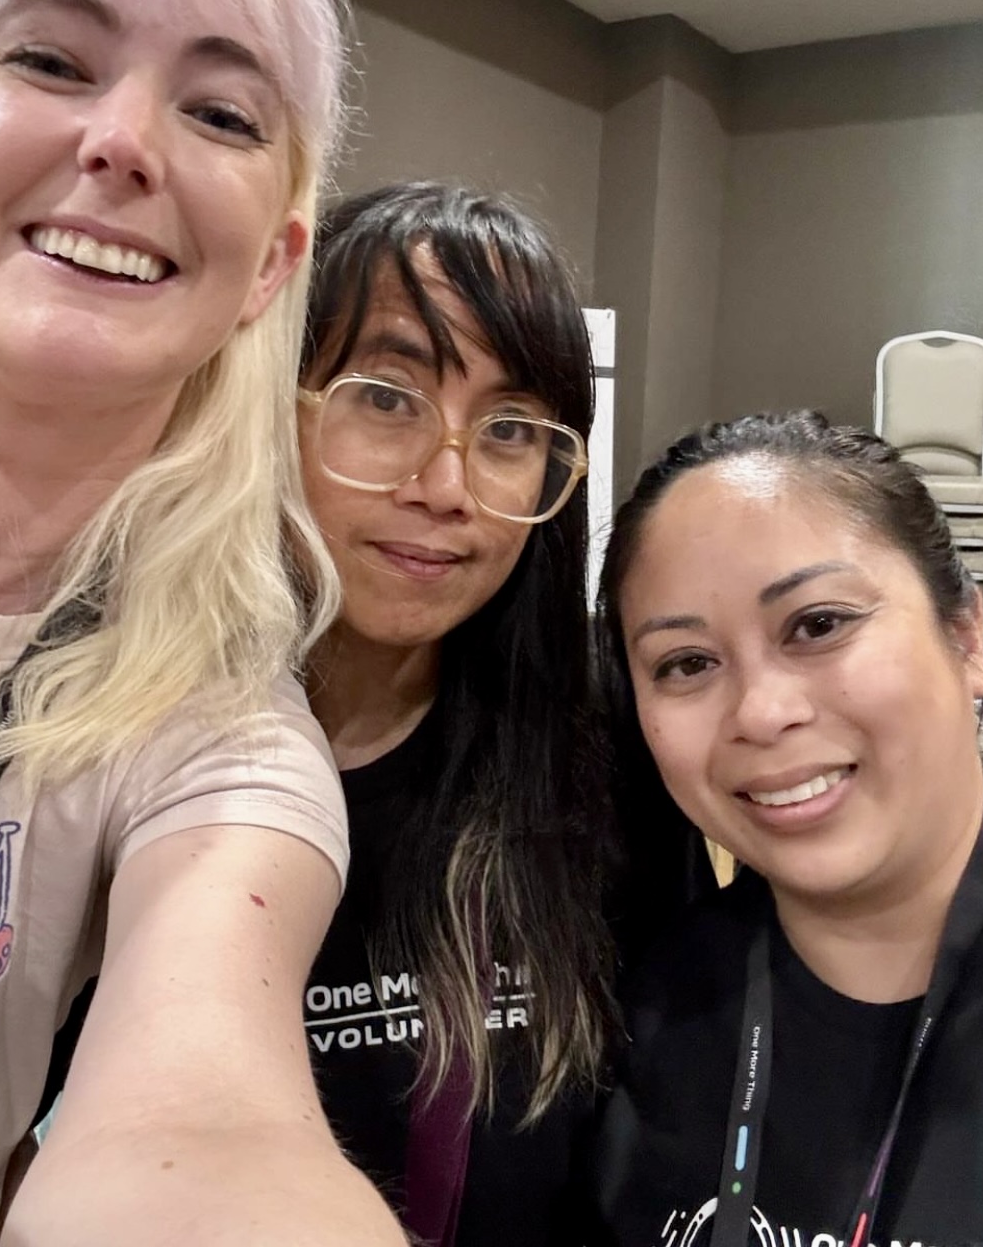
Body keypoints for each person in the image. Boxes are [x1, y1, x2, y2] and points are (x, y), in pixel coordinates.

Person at [0, 0, 408, 1243]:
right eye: (53, 58)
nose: (124, 139)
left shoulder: (224, 741)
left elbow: (206, 1122)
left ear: (269, 265)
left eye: (220, 109)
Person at [296, 180, 703, 1247]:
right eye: (387, 396)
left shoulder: (599, 751)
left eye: (511, 426)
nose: (448, 483)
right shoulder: (140, 751)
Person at [590, 410, 983, 1246]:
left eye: (817, 623)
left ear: (965, 634)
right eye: (686, 663)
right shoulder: (646, 1009)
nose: (761, 711)